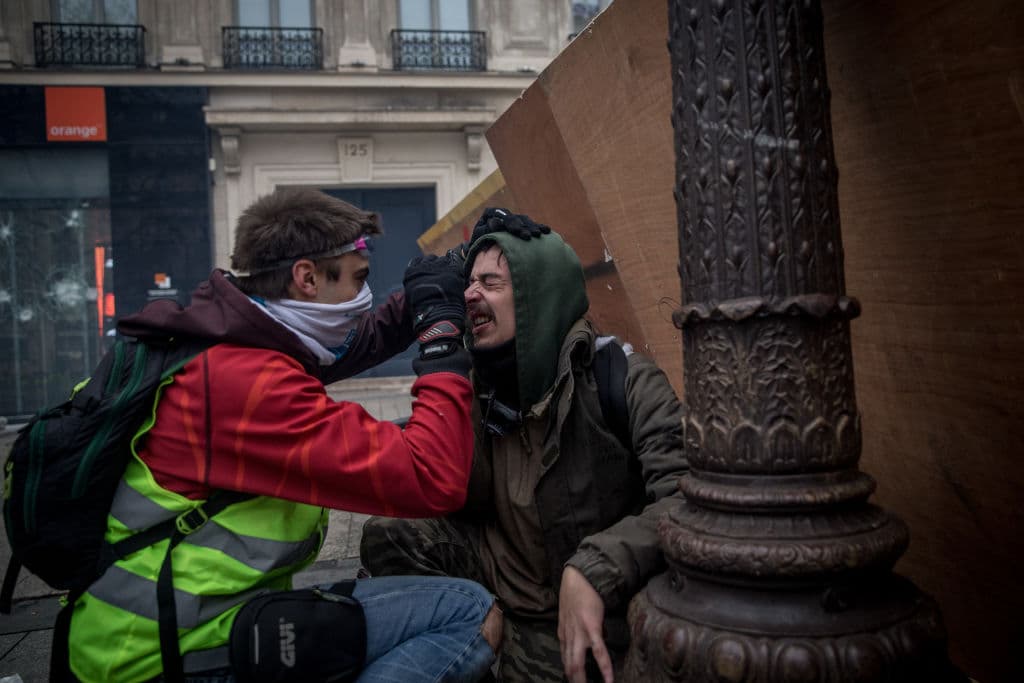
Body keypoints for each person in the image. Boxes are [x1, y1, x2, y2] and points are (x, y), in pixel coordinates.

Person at [65, 188, 503, 683]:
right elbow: (432, 476)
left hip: (176, 626)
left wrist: (443, 278)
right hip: (160, 658)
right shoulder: (247, 387)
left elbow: (352, 345)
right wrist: (441, 339)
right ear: (307, 278)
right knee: (467, 613)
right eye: (358, 280)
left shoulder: (226, 340)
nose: (365, 297)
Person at [360, 209, 687, 683]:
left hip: (599, 610)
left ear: (538, 295)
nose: (469, 294)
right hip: (507, 601)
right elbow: (431, 481)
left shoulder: (623, 379)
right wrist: (447, 364)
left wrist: (595, 568)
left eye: (491, 283)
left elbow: (685, 497)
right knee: (391, 531)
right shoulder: (473, 383)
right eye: (468, 283)